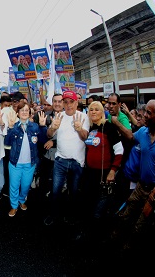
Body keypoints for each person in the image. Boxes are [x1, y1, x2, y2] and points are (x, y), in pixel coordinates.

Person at [110, 99, 155, 252]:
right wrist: (117, 123)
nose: (144, 115)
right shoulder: (142, 132)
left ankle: (129, 249)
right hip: (140, 186)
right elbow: (130, 136)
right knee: (124, 217)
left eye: (149, 113)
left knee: (140, 226)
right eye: (145, 112)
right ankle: (113, 243)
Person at [44, 90, 89, 226]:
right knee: (56, 190)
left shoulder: (83, 117)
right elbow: (49, 135)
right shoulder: (59, 116)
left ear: (76, 103)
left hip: (77, 162)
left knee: (73, 192)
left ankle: (70, 216)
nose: (68, 105)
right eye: (66, 102)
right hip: (60, 161)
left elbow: (85, 137)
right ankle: (53, 215)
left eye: (71, 102)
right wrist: (53, 128)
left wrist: (79, 129)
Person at [80, 101, 123, 241]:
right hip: (90, 173)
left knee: (100, 209)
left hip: (104, 175)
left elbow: (119, 150)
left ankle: (99, 237)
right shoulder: (91, 128)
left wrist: (113, 171)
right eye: (91, 109)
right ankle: (88, 234)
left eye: (96, 109)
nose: (93, 112)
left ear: (102, 112)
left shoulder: (109, 128)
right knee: (88, 204)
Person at [5, 102, 47, 217]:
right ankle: (14, 206)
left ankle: (22, 200)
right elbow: (7, 143)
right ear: (17, 113)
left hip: (30, 164)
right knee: (13, 186)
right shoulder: (13, 126)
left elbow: (43, 141)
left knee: (26, 185)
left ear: (29, 112)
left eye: (26, 110)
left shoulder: (34, 126)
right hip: (15, 163)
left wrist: (43, 126)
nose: (24, 112)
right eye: (21, 110)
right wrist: (10, 128)